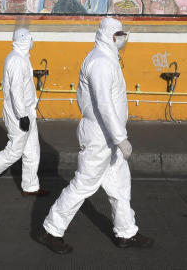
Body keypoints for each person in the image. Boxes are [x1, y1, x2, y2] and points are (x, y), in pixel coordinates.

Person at [38, 17, 152, 254]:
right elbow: (104, 104)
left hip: (109, 137)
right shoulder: (100, 62)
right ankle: (51, 230)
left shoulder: (106, 58)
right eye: (121, 34)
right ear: (112, 36)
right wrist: (120, 137)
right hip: (100, 137)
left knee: (120, 185)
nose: (124, 39)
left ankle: (126, 231)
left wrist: (118, 138)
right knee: (83, 185)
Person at [0, 28, 49, 199]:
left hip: (27, 112)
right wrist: (22, 115)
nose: (32, 42)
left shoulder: (21, 58)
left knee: (32, 151)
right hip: (18, 113)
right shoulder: (16, 60)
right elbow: (16, 91)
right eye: (31, 39)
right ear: (24, 40)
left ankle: (30, 187)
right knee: (14, 151)